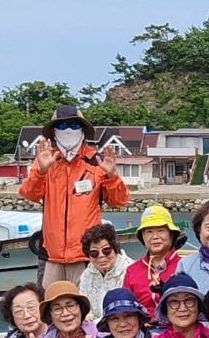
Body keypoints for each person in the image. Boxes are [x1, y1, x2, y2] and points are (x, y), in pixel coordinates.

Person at [19, 105, 129, 286]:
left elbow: (119, 201)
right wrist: (41, 172)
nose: (68, 130)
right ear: (53, 132)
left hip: (87, 254)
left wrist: (111, 176)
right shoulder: (46, 160)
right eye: (62, 126)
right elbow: (29, 194)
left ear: (83, 130)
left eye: (74, 125)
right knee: (48, 301)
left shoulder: (97, 161)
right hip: (51, 255)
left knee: (87, 302)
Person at [123, 205, 185, 318]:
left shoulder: (186, 266)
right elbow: (126, 308)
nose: (155, 236)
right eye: (149, 232)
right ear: (142, 237)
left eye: (161, 231)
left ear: (171, 235)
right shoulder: (131, 270)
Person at [77, 223, 132, 320]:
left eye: (106, 250)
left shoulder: (129, 270)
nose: (101, 255)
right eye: (94, 253)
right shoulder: (88, 272)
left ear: (115, 249)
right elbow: (83, 301)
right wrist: (87, 316)